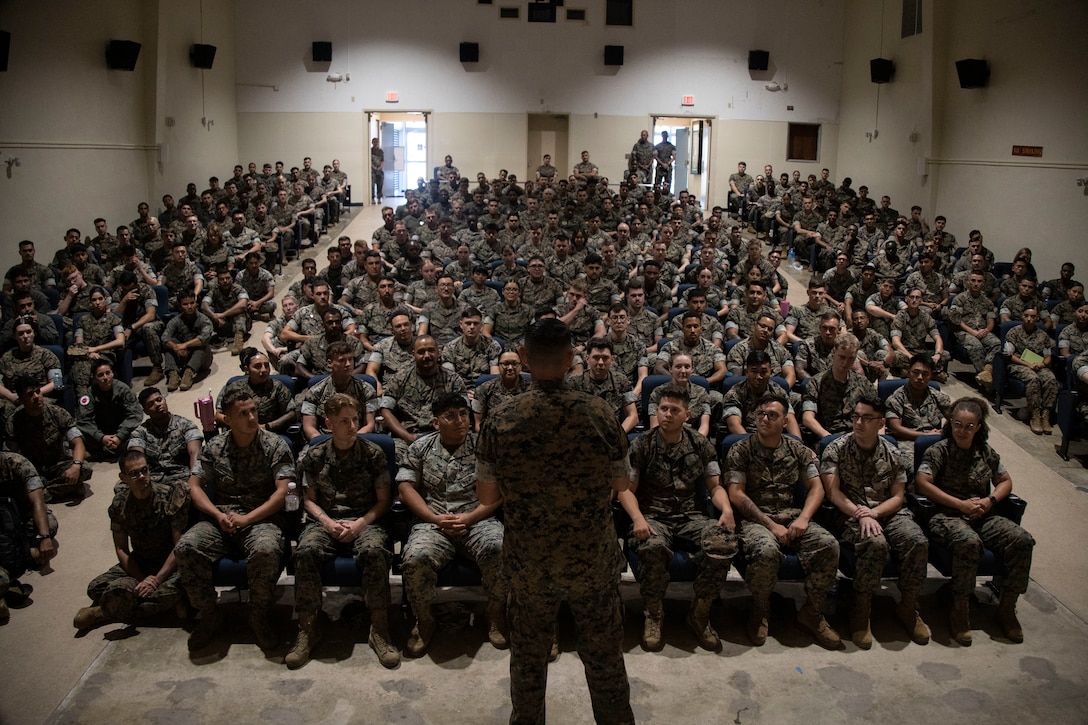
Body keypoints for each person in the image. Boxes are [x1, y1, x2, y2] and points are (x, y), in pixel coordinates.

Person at [477, 320, 634, 724]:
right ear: (571, 359)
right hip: (592, 562)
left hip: (530, 564)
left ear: (524, 358)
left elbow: (487, 496)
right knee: (604, 658)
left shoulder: (500, 418)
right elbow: (621, 483)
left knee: (528, 660)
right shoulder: (599, 413)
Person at [174, 388, 295, 652]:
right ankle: (210, 614)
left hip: (261, 517)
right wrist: (217, 515)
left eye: (253, 411)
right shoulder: (215, 447)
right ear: (227, 419)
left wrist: (247, 519)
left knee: (266, 549)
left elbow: (283, 492)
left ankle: (258, 614)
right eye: (243, 414)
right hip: (222, 518)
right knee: (186, 547)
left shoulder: (275, 444)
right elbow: (194, 485)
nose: (252, 417)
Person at [619, 384, 736, 652]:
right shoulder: (642, 445)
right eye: (663, 409)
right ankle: (653, 614)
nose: (668, 414)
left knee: (724, 542)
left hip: (691, 516)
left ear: (687, 415)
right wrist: (637, 519)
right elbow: (625, 490)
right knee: (653, 546)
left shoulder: (700, 444)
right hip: (653, 516)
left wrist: (727, 510)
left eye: (674, 410)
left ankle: (700, 614)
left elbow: (715, 487)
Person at [724, 393, 842, 649]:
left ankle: (812, 613)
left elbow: (817, 488)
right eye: (760, 414)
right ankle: (760, 610)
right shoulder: (741, 450)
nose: (765, 419)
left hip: (791, 516)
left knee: (828, 544)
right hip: (755, 520)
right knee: (766, 550)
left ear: (785, 421)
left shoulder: (797, 449)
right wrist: (771, 525)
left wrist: (804, 519)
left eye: (772, 415)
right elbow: (736, 494)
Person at [288, 393, 397, 669]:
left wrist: (359, 524)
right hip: (326, 520)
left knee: (375, 551)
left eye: (355, 420)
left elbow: (384, 501)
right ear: (329, 424)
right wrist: (327, 522)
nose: (352, 426)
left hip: (365, 520)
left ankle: (379, 629)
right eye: (344, 421)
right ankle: (308, 628)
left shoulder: (373, 454)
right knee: (306, 551)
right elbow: (308, 500)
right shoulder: (315, 456)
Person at [915, 396, 1035, 645]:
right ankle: (960, 609)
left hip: (982, 513)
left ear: (978, 427)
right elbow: (923, 483)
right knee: (968, 542)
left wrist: (990, 501)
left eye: (969, 426)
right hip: (946, 515)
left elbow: (1005, 481)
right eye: (958, 424)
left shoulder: (985, 452)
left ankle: (1007, 607)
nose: (962, 430)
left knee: (1022, 540)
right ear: (950, 423)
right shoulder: (939, 450)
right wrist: (959, 504)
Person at [398, 393, 507, 656]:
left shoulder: (485, 446)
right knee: (415, 557)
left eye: (463, 414)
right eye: (450, 415)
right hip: (434, 522)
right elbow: (406, 488)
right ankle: (424, 619)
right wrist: (434, 518)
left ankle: (495, 613)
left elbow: (500, 492)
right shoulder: (420, 447)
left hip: (477, 519)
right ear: (436, 422)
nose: (460, 420)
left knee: (500, 548)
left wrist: (470, 518)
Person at [820, 397, 931, 648]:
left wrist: (874, 513)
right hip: (850, 513)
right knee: (875, 543)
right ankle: (861, 610)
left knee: (917, 541)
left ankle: (908, 606)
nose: (859, 422)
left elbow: (898, 496)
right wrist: (861, 514)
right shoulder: (836, 449)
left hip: (886, 511)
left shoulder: (893, 453)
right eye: (856, 417)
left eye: (867, 418)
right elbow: (833, 493)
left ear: (881, 423)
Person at [73, 451, 189, 632]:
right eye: (134, 474)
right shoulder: (119, 504)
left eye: (144, 470)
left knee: (178, 587)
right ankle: (138, 601)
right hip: (141, 561)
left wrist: (156, 580)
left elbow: (178, 546)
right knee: (95, 588)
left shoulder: (168, 497)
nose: (142, 476)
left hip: (169, 564)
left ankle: (104, 612)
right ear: (123, 478)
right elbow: (121, 548)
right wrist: (142, 579)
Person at [6, 375, 90, 502]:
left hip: (58, 464)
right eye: (30, 394)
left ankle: (44, 493)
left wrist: (76, 466)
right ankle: (65, 488)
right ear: (21, 399)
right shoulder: (14, 421)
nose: (36, 397)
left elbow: (77, 442)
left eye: (38, 391)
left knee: (84, 468)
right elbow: (11, 456)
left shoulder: (57, 412)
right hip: (33, 468)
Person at [0, 450, 58, 623]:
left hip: (22, 517)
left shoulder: (17, 463)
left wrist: (44, 537)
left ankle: (26, 552)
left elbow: (37, 502)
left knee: (49, 524)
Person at [299, 341, 378, 440]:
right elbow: (309, 427)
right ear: (330, 363)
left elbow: (369, 425)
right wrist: (326, 443)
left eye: (350, 359)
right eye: (342, 360)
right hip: (325, 440)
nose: (348, 364)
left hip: (357, 438)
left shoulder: (366, 390)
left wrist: (349, 441)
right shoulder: (315, 392)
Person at [801, 333, 873, 440]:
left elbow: (877, 413)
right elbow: (808, 418)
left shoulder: (863, 383)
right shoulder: (816, 383)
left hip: (857, 436)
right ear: (834, 352)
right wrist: (829, 438)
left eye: (851, 358)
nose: (846, 363)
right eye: (842, 357)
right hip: (829, 436)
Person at [214, 348, 296, 434]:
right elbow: (218, 415)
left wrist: (267, 426)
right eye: (258, 366)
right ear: (246, 369)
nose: (264, 370)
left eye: (266, 365)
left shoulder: (277, 387)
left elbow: (291, 414)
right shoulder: (234, 387)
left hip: (268, 434)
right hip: (239, 433)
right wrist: (241, 426)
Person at [1004, 306, 1058, 435]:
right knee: (1033, 379)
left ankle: (1045, 414)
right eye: (1026, 316)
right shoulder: (1013, 332)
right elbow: (1009, 355)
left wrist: (1042, 364)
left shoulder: (1043, 335)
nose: (1029, 319)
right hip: (1019, 364)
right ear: (1022, 316)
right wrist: (1027, 364)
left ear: (1037, 318)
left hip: (1038, 365)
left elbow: (1048, 356)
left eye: (1033, 316)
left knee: (1051, 379)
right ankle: (1035, 414)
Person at [722, 350, 801, 437]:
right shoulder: (734, 393)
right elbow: (734, 424)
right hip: (747, 437)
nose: (759, 376)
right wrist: (753, 443)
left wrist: (798, 442)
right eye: (754, 371)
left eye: (763, 372)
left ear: (771, 372)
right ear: (746, 372)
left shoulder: (778, 391)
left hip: (774, 436)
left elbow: (789, 419)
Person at [76, 360, 144, 460]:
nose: (105, 378)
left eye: (108, 373)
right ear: (94, 378)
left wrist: (119, 436)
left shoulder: (123, 389)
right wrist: (101, 437)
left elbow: (135, 415)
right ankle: (112, 451)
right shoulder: (89, 394)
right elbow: (83, 420)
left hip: (122, 430)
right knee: (76, 436)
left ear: (112, 374)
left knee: (139, 436)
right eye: (100, 375)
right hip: (100, 433)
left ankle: (97, 454)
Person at [948, 271, 1002, 392]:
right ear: (968, 282)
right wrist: (972, 331)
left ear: (983, 284)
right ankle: (985, 379)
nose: (976, 284)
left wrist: (986, 330)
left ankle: (987, 372)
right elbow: (956, 320)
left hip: (982, 331)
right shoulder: (960, 299)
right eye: (973, 281)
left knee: (997, 343)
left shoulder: (987, 301)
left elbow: (991, 320)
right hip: (964, 332)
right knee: (976, 346)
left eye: (979, 281)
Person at [885, 354, 952, 443]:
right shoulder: (896, 398)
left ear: (931, 376)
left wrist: (944, 431)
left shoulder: (938, 396)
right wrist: (926, 436)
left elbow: (954, 419)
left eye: (925, 374)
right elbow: (896, 429)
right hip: (908, 442)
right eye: (916, 372)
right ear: (908, 372)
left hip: (935, 440)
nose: (920, 377)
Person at [161, 290, 213, 392]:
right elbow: (164, 337)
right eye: (185, 304)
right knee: (170, 343)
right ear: (180, 306)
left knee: (201, 345)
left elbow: (204, 337)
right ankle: (173, 373)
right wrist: (175, 347)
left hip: (202, 359)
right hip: (183, 355)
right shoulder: (175, 321)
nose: (189, 307)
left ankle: (189, 373)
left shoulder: (203, 319)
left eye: (192, 303)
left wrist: (185, 345)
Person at [471, 348, 530, 431]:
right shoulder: (484, 389)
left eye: (514, 364)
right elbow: (478, 424)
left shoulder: (531, 389)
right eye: (505, 364)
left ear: (520, 366)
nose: (510, 368)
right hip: (493, 434)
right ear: (498, 366)